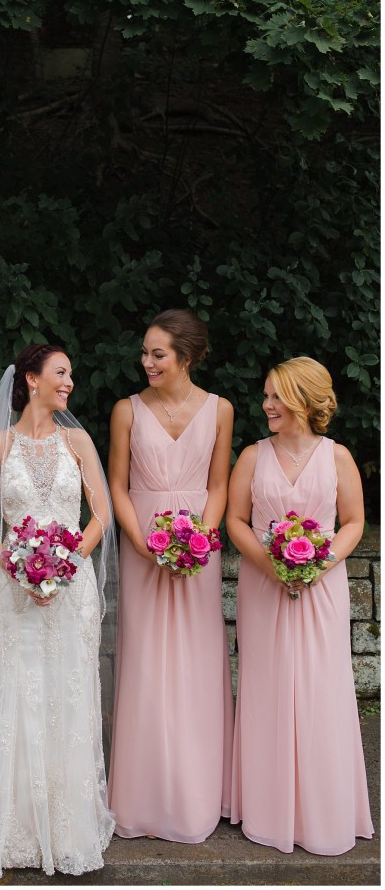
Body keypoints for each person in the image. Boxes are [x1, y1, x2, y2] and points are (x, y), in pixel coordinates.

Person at [0, 344, 117, 883]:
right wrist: (19, 569)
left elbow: (102, 514)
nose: (69, 382)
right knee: (18, 693)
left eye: (71, 373)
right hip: (14, 587)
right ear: (31, 378)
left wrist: (65, 564)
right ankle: (14, 827)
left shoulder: (79, 440)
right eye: (61, 372)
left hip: (73, 588)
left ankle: (70, 828)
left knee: (69, 695)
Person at [227, 356, 373, 854]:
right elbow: (236, 522)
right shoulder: (251, 455)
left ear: (304, 400)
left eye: (275, 396)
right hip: (264, 586)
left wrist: (318, 564)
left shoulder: (338, 457)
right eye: (265, 395)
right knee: (266, 687)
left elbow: (353, 521)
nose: (266, 404)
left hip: (321, 587)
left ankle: (322, 809)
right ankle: (267, 807)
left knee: (319, 689)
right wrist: (272, 566)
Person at [108, 309, 234, 842]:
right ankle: (141, 798)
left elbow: (220, 485)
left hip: (196, 555)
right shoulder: (126, 410)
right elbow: (115, 483)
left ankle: (198, 794)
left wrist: (199, 542)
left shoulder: (221, 409)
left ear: (186, 356)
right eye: (144, 353)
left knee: (197, 664)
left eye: (157, 353)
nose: (147, 362)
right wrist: (141, 543)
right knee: (145, 663)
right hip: (142, 550)